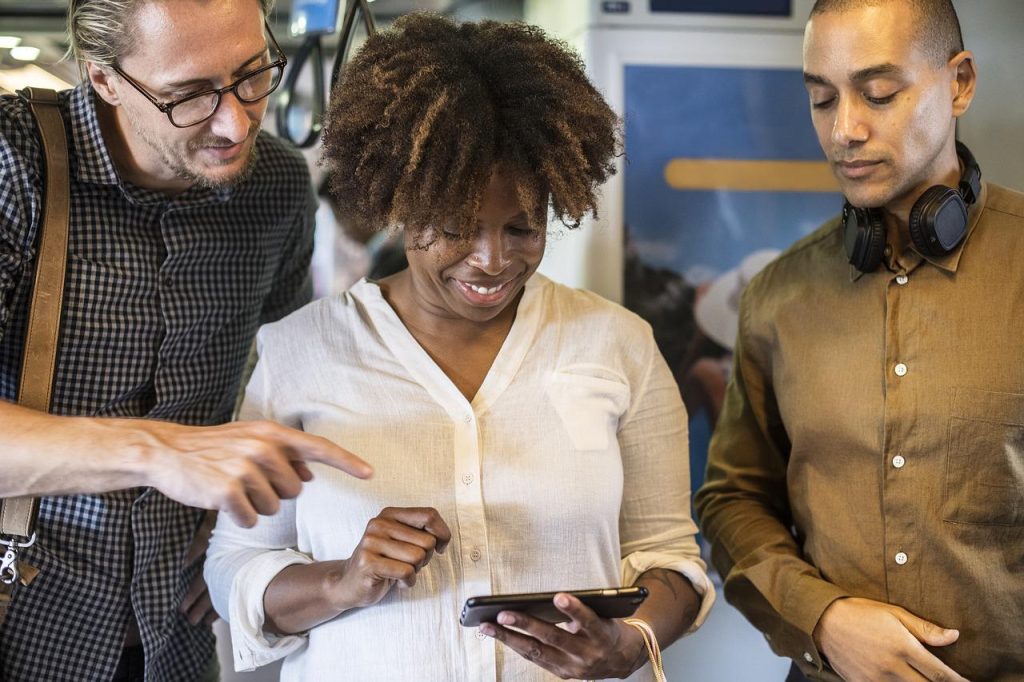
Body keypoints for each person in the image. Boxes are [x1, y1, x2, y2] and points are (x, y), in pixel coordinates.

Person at [205, 13, 715, 681]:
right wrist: (342, 581)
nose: (492, 260)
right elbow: (235, 566)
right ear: (399, 200)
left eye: (522, 228)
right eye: (455, 227)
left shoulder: (617, 343)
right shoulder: (303, 350)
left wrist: (633, 639)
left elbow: (668, 554)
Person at [0, 1, 371, 680]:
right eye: (188, 96)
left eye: (253, 74)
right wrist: (159, 451)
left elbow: (275, 382)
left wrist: (238, 536)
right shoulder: (15, 164)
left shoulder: (278, 190)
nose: (235, 121)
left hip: (172, 636)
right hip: (24, 621)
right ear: (104, 78)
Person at [695, 1, 1024, 681]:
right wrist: (822, 617)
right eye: (821, 99)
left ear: (959, 82)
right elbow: (733, 500)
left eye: (878, 94)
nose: (844, 129)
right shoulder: (777, 297)